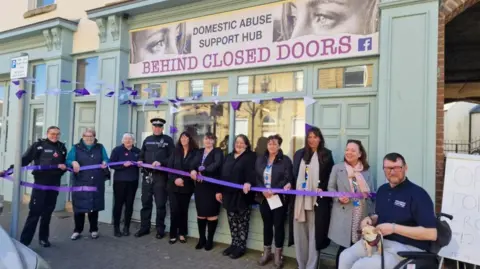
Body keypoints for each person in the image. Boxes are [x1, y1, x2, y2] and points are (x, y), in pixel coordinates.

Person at [338, 153, 438, 269]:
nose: (392, 172)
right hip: (379, 242)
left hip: (406, 248)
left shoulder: (418, 194)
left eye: (397, 168)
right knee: (345, 256)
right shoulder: (382, 190)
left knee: (361, 266)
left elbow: (431, 234)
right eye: (388, 168)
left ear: (405, 168)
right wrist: (370, 219)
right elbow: (382, 215)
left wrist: (393, 228)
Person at [290, 126, 334, 269]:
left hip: (317, 202)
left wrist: (324, 188)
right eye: (309, 137)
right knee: (300, 234)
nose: (312, 140)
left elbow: (330, 177)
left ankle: (311, 266)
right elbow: (293, 175)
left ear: (320, 138)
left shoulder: (326, 155)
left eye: (315, 137)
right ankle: (301, 264)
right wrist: (288, 185)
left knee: (315, 235)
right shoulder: (299, 154)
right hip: (299, 201)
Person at [16, 126, 67, 247]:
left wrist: (63, 168)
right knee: (35, 212)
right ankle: (24, 242)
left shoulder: (62, 147)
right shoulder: (38, 145)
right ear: (47, 134)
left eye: (57, 134)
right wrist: (11, 169)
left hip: (54, 183)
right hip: (40, 182)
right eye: (52, 134)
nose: (55, 136)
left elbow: (64, 165)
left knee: (48, 212)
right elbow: (25, 159)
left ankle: (43, 238)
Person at [328, 140, 375, 268]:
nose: (349, 152)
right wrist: (339, 197)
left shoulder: (366, 170)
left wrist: (371, 216)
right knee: (344, 247)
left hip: (361, 213)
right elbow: (330, 188)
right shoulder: (337, 168)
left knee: (359, 247)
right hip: (344, 213)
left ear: (360, 154)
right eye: (347, 149)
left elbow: (371, 194)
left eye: (353, 150)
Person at [254, 134, 293, 268]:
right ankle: (266, 253)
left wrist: (275, 190)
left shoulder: (285, 160)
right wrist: (263, 190)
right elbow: (256, 177)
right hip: (264, 198)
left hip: (278, 198)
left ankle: (278, 255)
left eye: (274, 144)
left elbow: (288, 178)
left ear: (279, 146)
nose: (272, 146)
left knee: (279, 226)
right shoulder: (261, 159)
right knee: (267, 225)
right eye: (270, 144)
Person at [217, 134, 256, 259]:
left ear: (246, 144)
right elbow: (222, 174)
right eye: (237, 142)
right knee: (232, 221)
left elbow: (253, 173)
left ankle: (241, 247)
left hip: (242, 196)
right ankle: (234, 243)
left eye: (241, 142)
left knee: (242, 222)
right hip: (228, 194)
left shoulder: (250, 156)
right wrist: (219, 191)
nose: (238, 144)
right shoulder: (228, 156)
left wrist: (249, 182)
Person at [67, 128, 110, 240]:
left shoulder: (100, 147)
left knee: (93, 207)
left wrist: (105, 162)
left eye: (91, 136)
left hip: (96, 181)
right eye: (86, 136)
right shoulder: (76, 148)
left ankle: (94, 229)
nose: (89, 138)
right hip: (80, 181)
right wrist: (73, 162)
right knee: (79, 207)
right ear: (83, 137)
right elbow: (68, 160)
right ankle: (77, 230)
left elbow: (106, 158)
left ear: (94, 137)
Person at [135, 118, 174, 239]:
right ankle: (144, 228)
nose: (157, 128)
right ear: (152, 127)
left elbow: (172, 158)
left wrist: (161, 162)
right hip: (147, 175)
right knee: (145, 203)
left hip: (160, 177)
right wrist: (140, 160)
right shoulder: (147, 140)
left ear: (162, 128)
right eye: (155, 126)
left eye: (159, 126)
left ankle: (160, 229)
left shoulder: (168, 140)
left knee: (160, 204)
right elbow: (141, 154)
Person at [190, 132, 224, 251]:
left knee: (211, 215)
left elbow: (216, 165)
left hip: (213, 187)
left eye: (211, 139)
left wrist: (202, 172)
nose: (208, 141)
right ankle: (201, 239)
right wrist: (193, 171)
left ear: (214, 141)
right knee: (201, 214)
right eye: (206, 139)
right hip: (200, 188)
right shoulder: (199, 152)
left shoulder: (218, 152)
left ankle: (210, 240)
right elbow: (192, 164)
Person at [167, 131, 198, 244]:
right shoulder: (175, 151)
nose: (183, 139)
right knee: (174, 210)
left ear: (189, 139)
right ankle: (173, 234)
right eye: (182, 138)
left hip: (187, 186)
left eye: (186, 137)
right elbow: (169, 168)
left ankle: (182, 233)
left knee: (183, 211)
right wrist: (175, 179)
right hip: (173, 186)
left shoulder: (194, 153)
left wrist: (184, 180)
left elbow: (194, 168)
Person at [109, 133, 141, 237]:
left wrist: (141, 163)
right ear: (122, 141)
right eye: (126, 139)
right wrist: (123, 165)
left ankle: (126, 227)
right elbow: (111, 164)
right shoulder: (117, 150)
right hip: (120, 182)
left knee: (129, 205)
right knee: (118, 204)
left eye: (130, 139)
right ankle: (116, 228)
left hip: (133, 181)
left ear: (134, 141)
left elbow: (142, 163)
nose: (128, 141)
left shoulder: (137, 151)